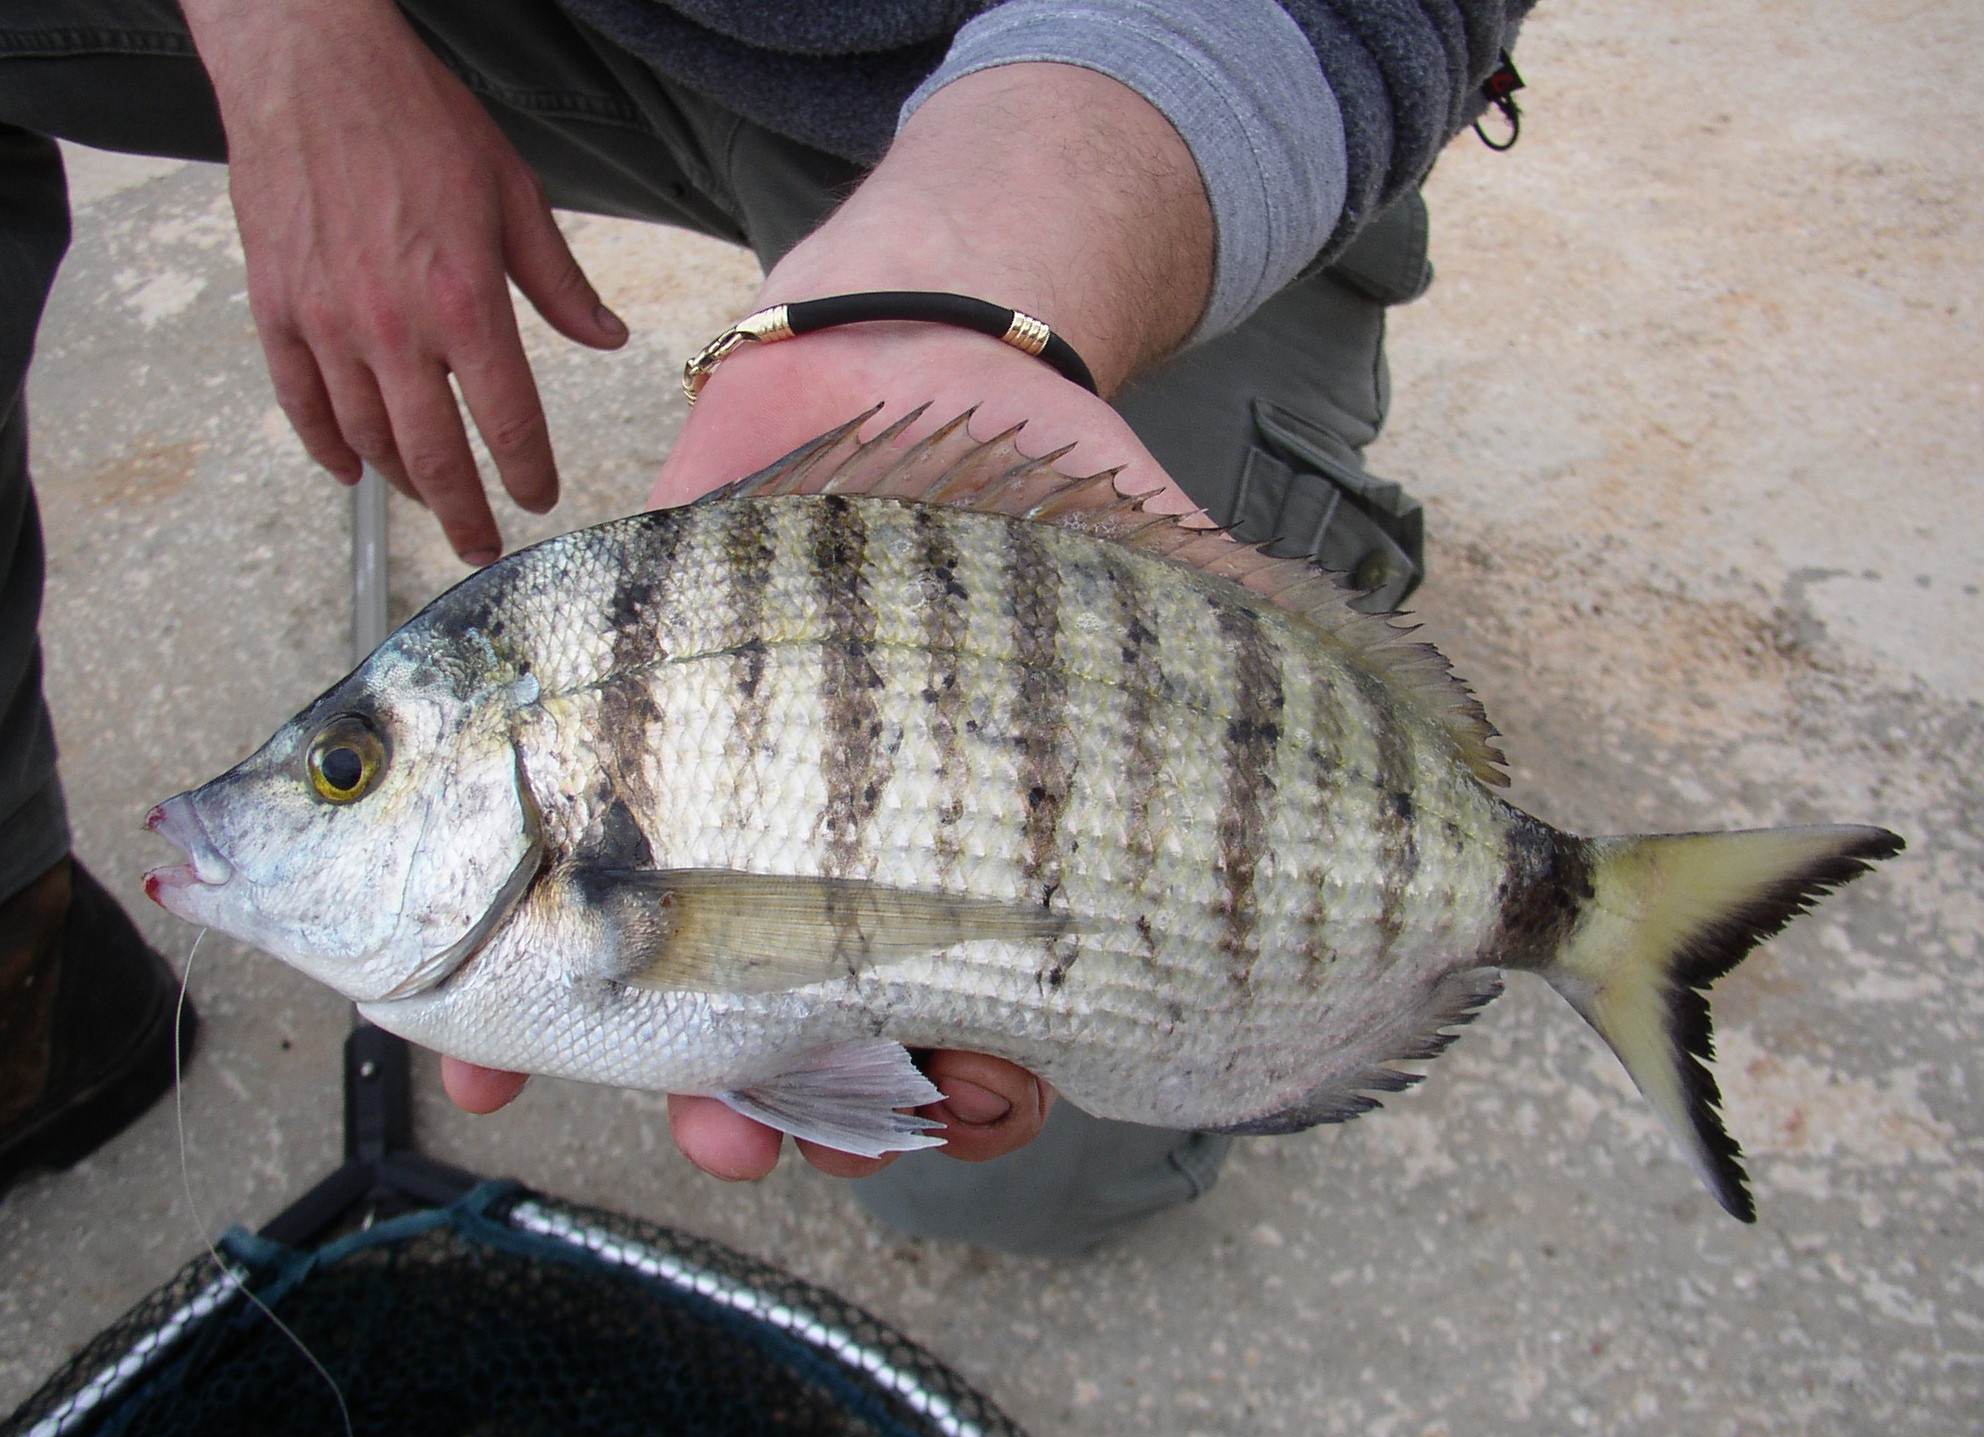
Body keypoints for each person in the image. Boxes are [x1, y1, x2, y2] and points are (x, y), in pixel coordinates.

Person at [0, 0, 1530, 1249]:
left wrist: (987, 267)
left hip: (1149, 68)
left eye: (348, 767)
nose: (303, 788)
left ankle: (1395, 786)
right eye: (342, 767)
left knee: (1020, 1177)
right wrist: (291, 32)